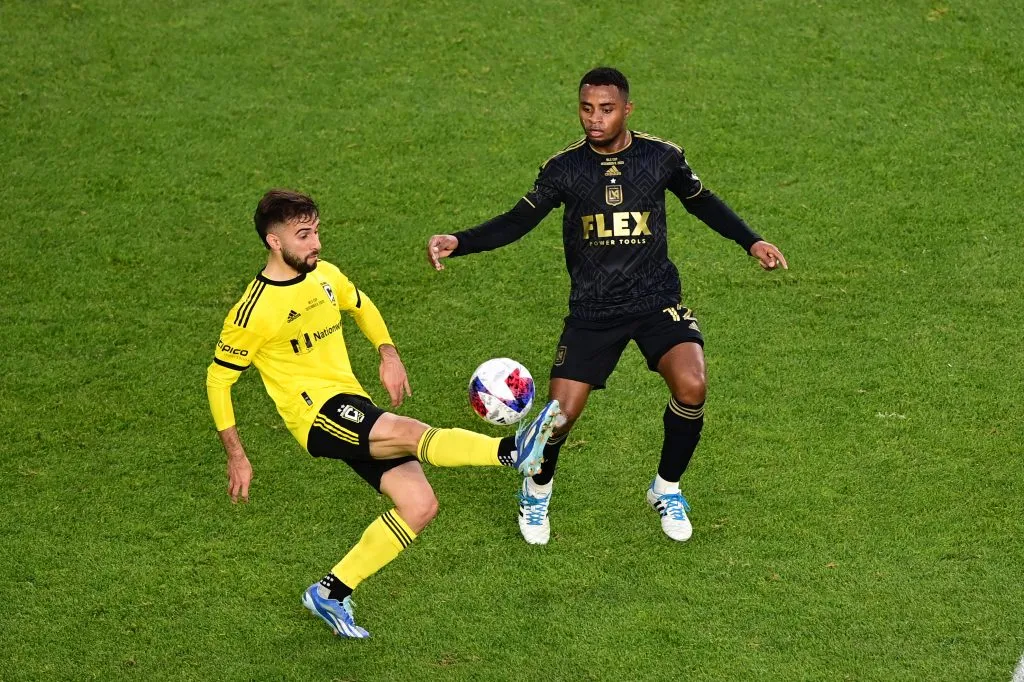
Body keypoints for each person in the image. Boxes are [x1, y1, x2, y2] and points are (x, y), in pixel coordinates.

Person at [427, 67, 787, 546]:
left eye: (606, 109)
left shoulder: (661, 157)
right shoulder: (564, 169)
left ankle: (666, 489)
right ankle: (536, 491)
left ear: (627, 110)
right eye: (586, 108)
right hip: (594, 311)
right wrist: (460, 241)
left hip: (656, 299)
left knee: (692, 385)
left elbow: (703, 202)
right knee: (558, 418)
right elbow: (518, 221)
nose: (594, 119)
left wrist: (752, 241)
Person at [207, 189, 561, 638]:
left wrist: (387, 352)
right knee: (412, 431)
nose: (315, 242)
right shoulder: (252, 312)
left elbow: (359, 303)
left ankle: (330, 592)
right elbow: (218, 381)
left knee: (419, 505)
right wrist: (236, 454)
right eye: (303, 235)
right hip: (316, 416)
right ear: (274, 242)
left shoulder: (325, 275)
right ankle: (510, 452)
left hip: (351, 403)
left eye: (316, 230)